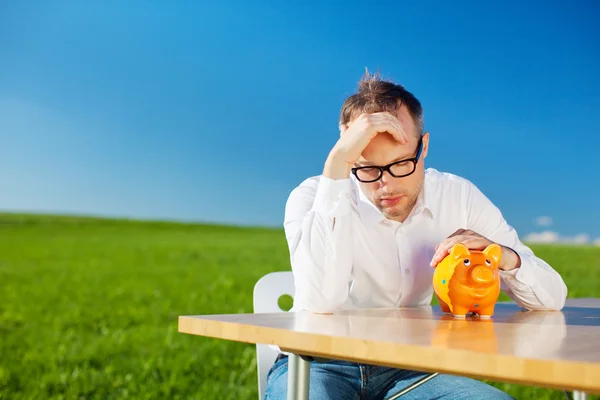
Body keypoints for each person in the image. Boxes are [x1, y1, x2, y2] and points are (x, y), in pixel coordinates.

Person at [263, 71, 568, 400]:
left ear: (423, 147)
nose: (386, 185)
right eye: (366, 168)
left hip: (410, 369)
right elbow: (321, 300)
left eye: (400, 164)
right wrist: (338, 163)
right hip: (317, 364)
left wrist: (503, 255)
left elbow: (552, 298)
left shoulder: (458, 196)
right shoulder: (313, 198)